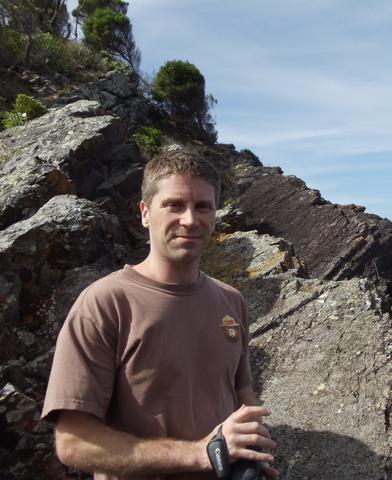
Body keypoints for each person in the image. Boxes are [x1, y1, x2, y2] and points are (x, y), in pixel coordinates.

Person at [41, 151, 279, 479]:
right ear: (144, 212)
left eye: (203, 207)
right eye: (174, 205)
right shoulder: (104, 304)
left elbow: (243, 394)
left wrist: (254, 451)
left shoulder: (231, 301)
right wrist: (199, 454)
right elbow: (73, 442)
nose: (190, 220)